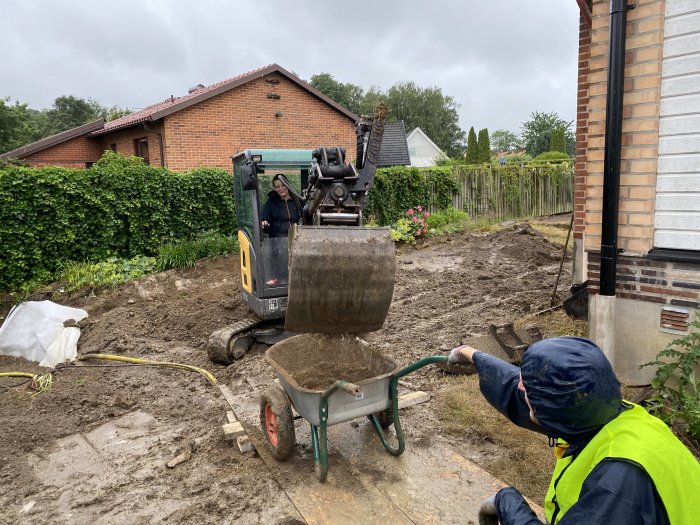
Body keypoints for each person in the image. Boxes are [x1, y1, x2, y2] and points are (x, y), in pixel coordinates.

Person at [448, 336, 700, 524]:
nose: (522, 387)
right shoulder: (606, 413)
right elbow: (515, 387)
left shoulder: (616, 482)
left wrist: (507, 502)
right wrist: (470, 353)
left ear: (554, 407)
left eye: (531, 387)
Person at [260, 174, 302, 238]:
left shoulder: (298, 201)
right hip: (277, 240)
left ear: (288, 185)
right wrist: (264, 223)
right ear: (275, 188)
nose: (281, 189)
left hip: (297, 237)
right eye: (277, 187)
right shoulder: (271, 202)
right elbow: (264, 218)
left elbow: (307, 214)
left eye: (283, 185)